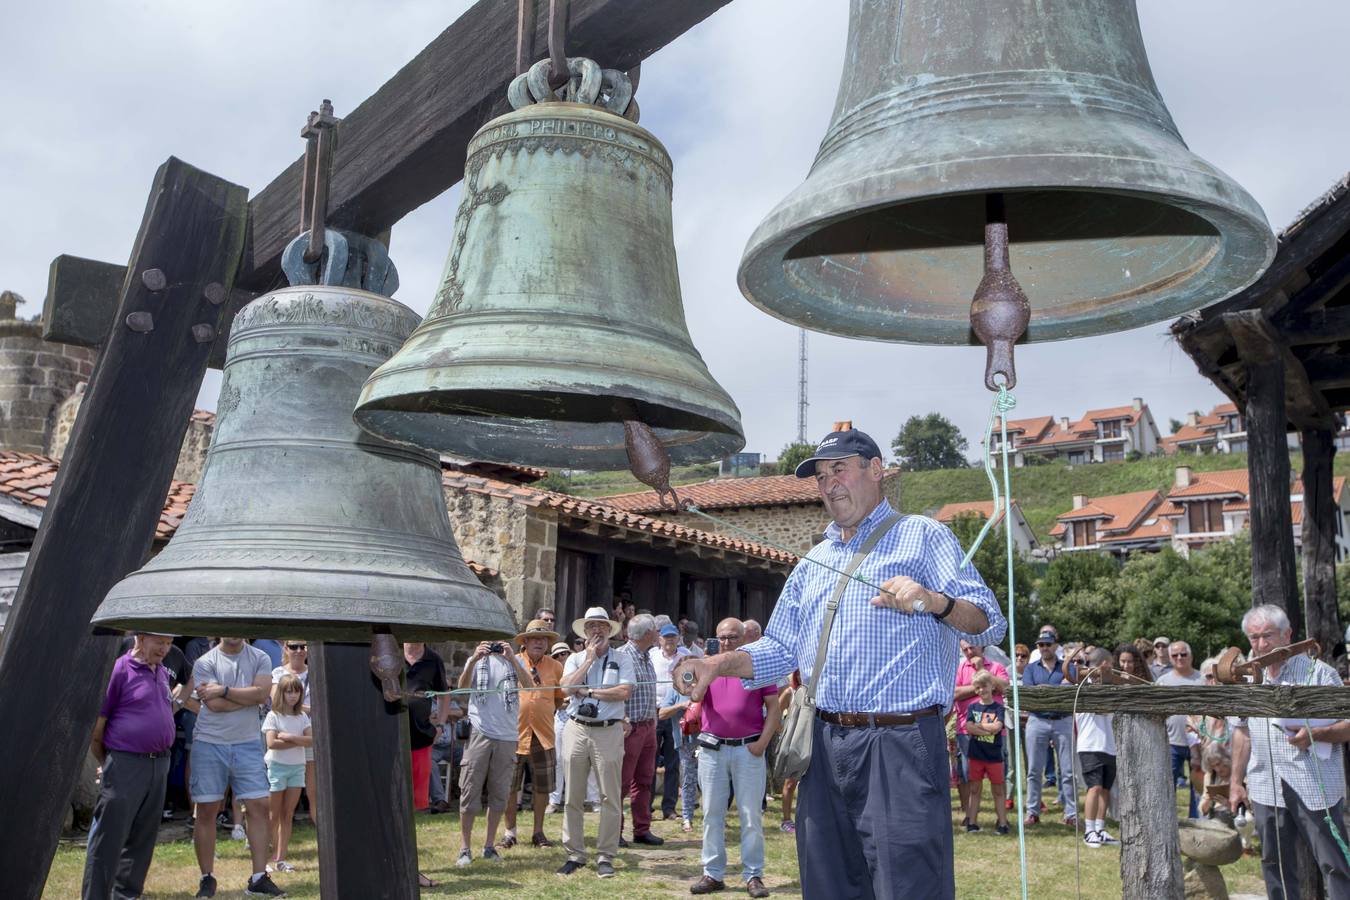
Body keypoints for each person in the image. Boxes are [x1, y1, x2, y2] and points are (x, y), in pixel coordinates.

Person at [674, 426, 1006, 899]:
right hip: (824, 745)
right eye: (821, 476)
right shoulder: (813, 561)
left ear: (876, 471)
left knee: (909, 885)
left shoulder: (923, 536)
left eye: (839, 470)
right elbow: (779, 649)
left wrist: (935, 601)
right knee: (828, 883)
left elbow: (990, 623)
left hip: (901, 743)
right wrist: (716, 666)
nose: (829, 483)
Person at [1230, 604, 1350, 899]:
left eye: (1267, 636)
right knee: (1275, 864)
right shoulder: (1248, 680)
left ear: (1288, 635)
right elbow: (1242, 732)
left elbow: (1348, 725)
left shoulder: (1319, 673)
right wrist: (1235, 781)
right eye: (1254, 638)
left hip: (1314, 784)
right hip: (1265, 785)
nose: (1260, 645)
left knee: (1334, 862)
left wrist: (1317, 734)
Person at [83, 632, 187, 900]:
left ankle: (126, 896)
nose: (164, 648)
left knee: (142, 840)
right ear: (140, 638)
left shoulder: (162, 672)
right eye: (159, 642)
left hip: (159, 764)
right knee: (108, 839)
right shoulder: (120, 670)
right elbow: (98, 728)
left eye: (168, 643)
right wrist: (109, 762)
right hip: (126, 763)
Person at [686, 618, 778, 897]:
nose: (727, 642)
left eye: (733, 637)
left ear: (745, 639)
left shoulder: (758, 666)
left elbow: (773, 708)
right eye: (722, 637)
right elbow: (695, 697)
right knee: (712, 813)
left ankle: (753, 875)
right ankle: (712, 874)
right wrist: (707, 670)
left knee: (751, 816)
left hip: (748, 749)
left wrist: (762, 743)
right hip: (713, 750)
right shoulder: (707, 666)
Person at [190, 637, 284, 898]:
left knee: (259, 806)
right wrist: (247, 696)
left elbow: (263, 694)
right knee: (207, 809)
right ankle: (207, 878)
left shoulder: (260, 657)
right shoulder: (204, 662)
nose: (233, 632)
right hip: (209, 742)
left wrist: (223, 690)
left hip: (247, 743)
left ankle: (257, 878)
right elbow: (214, 705)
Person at [557, 606, 635, 879]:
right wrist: (588, 661)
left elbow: (624, 691)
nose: (597, 630)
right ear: (585, 632)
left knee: (610, 797)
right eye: (592, 626)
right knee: (573, 796)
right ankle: (575, 854)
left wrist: (589, 691)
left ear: (609, 630)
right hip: (577, 728)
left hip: (608, 731)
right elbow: (565, 688)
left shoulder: (623, 659)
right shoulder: (576, 658)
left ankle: (605, 855)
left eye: (602, 625)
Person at [455, 633, 532, 867]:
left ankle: (489, 846)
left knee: (500, 794)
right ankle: (465, 848)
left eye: (501, 640)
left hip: (508, 736)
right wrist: (476, 659)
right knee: (470, 791)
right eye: (492, 641)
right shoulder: (475, 659)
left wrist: (511, 658)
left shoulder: (515, 660)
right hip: (480, 732)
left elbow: (529, 686)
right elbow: (461, 689)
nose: (496, 644)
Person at [501, 619, 565, 850]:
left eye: (543, 638)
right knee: (510, 786)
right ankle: (509, 832)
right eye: (534, 638)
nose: (539, 642)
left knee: (543, 787)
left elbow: (559, 700)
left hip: (544, 735)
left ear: (548, 643)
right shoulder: (512, 662)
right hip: (514, 734)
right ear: (525, 641)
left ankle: (538, 832)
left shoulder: (556, 667)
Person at [617, 613, 664, 847]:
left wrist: (652, 723)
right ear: (647, 634)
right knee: (622, 783)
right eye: (656, 630)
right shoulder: (623, 656)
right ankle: (614, 832)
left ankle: (641, 829)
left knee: (645, 781)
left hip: (647, 727)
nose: (658, 634)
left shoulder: (646, 657)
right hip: (629, 728)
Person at [953, 639, 1010, 826]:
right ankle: (970, 816)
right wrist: (981, 686)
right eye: (965, 649)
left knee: (997, 777)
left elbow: (1006, 688)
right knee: (969, 774)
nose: (969, 652)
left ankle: (1002, 819)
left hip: (995, 732)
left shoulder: (997, 666)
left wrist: (982, 674)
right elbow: (954, 693)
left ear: (982, 647)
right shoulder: (960, 668)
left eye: (972, 648)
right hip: (966, 728)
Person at [1022, 629, 1076, 827]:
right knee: (1034, 770)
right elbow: (1030, 695)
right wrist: (1057, 688)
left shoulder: (1067, 667)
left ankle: (1071, 813)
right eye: (1040, 645)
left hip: (1063, 719)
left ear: (1055, 645)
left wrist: (1044, 690)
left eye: (1048, 644)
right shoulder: (1030, 669)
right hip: (1037, 720)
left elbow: (1071, 690)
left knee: (1068, 770)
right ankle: (1032, 811)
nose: (1044, 648)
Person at [261, 675, 311, 874]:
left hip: (297, 767)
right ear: (281, 693)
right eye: (289, 691)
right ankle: (264, 859)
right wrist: (300, 741)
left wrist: (290, 738)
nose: (293, 696)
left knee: (287, 814)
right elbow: (272, 743)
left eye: (296, 691)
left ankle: (281, 859)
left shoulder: (302, 717)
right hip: (277, 767)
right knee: (273, 816)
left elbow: (312, 740)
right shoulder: (273, 715)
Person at [1074, 648, 1119, 848]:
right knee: (1095, 787)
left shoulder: (1111, 687)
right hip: (1090, 744)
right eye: (1110, 664)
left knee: (1106, 789)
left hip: (1109, 745)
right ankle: (1089, 830)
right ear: (1104, 665)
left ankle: (1100, 828)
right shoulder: (1084, 685)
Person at [270, 641, 315, 828]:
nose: (298, 650)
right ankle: (272, 838)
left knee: (314, 792)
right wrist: (309, 709)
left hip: (308, 735)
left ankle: (324, 835)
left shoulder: (315, 671)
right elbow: (275, 702)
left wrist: (296, 709)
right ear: (285, 649)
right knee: (277, 794)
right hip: (283, 736)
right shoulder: (278, 673)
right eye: (293, 646)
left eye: (302, 646)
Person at [1157, 640, 1203, 818]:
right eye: (1175, 655)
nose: (1179, 658)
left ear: (1191, 656)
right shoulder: (1162, 682)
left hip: (1199, 743)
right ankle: (1167, 822)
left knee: (1199, 788)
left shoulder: (1201, 680)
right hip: (1171, 742)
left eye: (1183, 654)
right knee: (1167, 787)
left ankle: (1196, 823)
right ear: (1170, 658)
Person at [650, 622, 691, 820]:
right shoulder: (652, 655)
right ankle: (646, 804)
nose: (669, 640)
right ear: (660, 638)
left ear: (678, 638)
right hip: (656, 710)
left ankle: (669, 807)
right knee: (650, 759)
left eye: (672, 637)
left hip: (677, 711)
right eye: (666, 637)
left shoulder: (686, 655)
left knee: (673, 761)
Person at [403, 642, 448, 813]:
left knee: (415, 801)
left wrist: (441, 725)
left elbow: (444, 695)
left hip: (421, 736)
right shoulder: (392, 653)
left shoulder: (433, 659)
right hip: (390, 737)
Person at [963, 671, 1009, 835]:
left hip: (994, 756)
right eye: (978, 687)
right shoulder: (972, 707)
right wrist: (988, 730)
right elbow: (968, 727)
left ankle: (1003, 823)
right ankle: (972, 822)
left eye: (984, 686)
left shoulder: (998, 708)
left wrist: (979, 729)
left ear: (992, 686)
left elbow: (998, 727)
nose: (982, 690)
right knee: (974, 789)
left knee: (998, 790)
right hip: (976, 755)